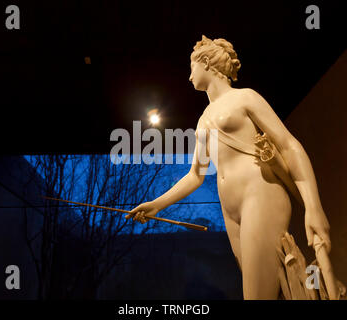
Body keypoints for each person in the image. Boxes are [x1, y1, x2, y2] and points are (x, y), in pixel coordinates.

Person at [125, 35, 331, 299]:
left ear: (207, 62)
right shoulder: (203, 121)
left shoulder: (245, 98)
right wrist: (156, 204)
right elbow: (195, 176)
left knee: (255, 296)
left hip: (260, 195)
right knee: (264, 289)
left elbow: (289, 145)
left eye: (192, 68)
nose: (189, 77)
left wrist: (313, 208)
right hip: (230, 210)